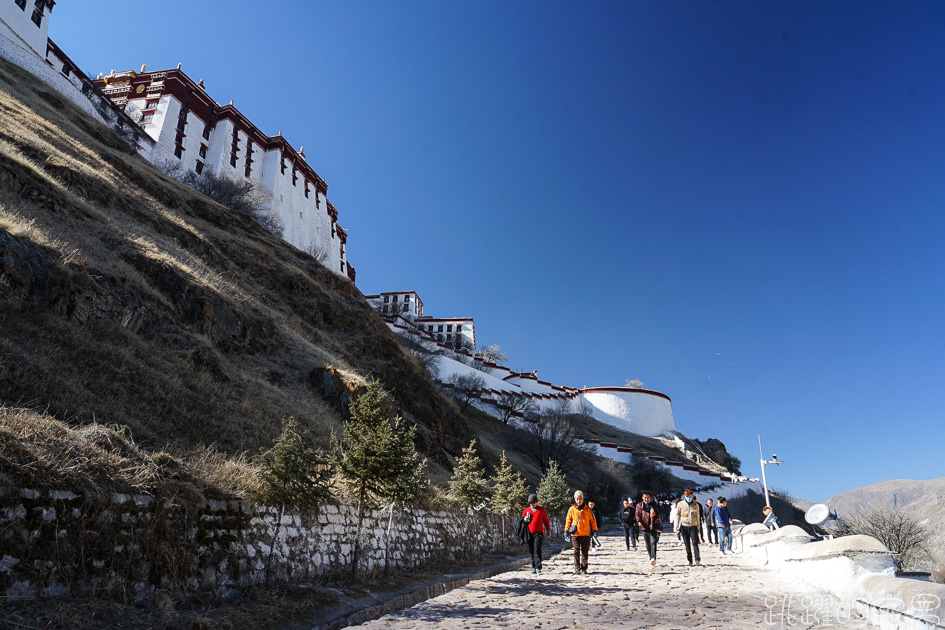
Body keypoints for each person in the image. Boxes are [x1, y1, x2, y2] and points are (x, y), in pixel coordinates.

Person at [564, 490, 598, 574]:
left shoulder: (588, 510)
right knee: (576, 551)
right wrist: (566, 530)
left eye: (580, 499)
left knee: (585, 551)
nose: (578, 500)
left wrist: (595, 530)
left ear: (583, 499)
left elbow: (593, 521)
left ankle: (584, 568)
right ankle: (577, 567)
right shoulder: (571, 509)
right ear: (575, 499)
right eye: (577, 499)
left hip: (586, 534)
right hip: (575, 534)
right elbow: (568, 520)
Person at [521, 493, 551, 573]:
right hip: (529, 533)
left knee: (537, 549)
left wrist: (548, 530)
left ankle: (538, 567)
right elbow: (522, 520)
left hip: (539, 533)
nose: (532, 504)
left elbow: (545, 520)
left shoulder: (542, 510)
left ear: (536, 502)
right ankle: (534, 566)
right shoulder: (527, 510)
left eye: (533, 502)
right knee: (531, 550)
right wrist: (524, 519)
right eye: (530, 503)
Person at [673, 488, 702, 566]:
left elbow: (698, 517)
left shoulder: (696, 505)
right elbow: (677, 515)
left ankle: (697, 558)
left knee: (695, 542)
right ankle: (690, 560)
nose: (689, 497)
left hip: (693, 526)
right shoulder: (680, 504)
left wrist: (698, 527)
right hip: (684, 526)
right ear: (685, 496)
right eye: (687, 496)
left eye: (690, 496)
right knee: (687, 544)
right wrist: (676, 525)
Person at [636, 490, 663, 568]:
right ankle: (650, 556)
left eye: (647, 497)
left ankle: (653, 557)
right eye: (645, 497)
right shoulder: (639, 505)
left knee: (653, 542)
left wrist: (655, 514)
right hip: (644, 526)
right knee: (648, 544)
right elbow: (637, 514)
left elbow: (659, 514)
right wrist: (639, 521)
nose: (646, 499)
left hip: (653, 526)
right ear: (642, 497)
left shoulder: (653, 505)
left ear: (650, 497)